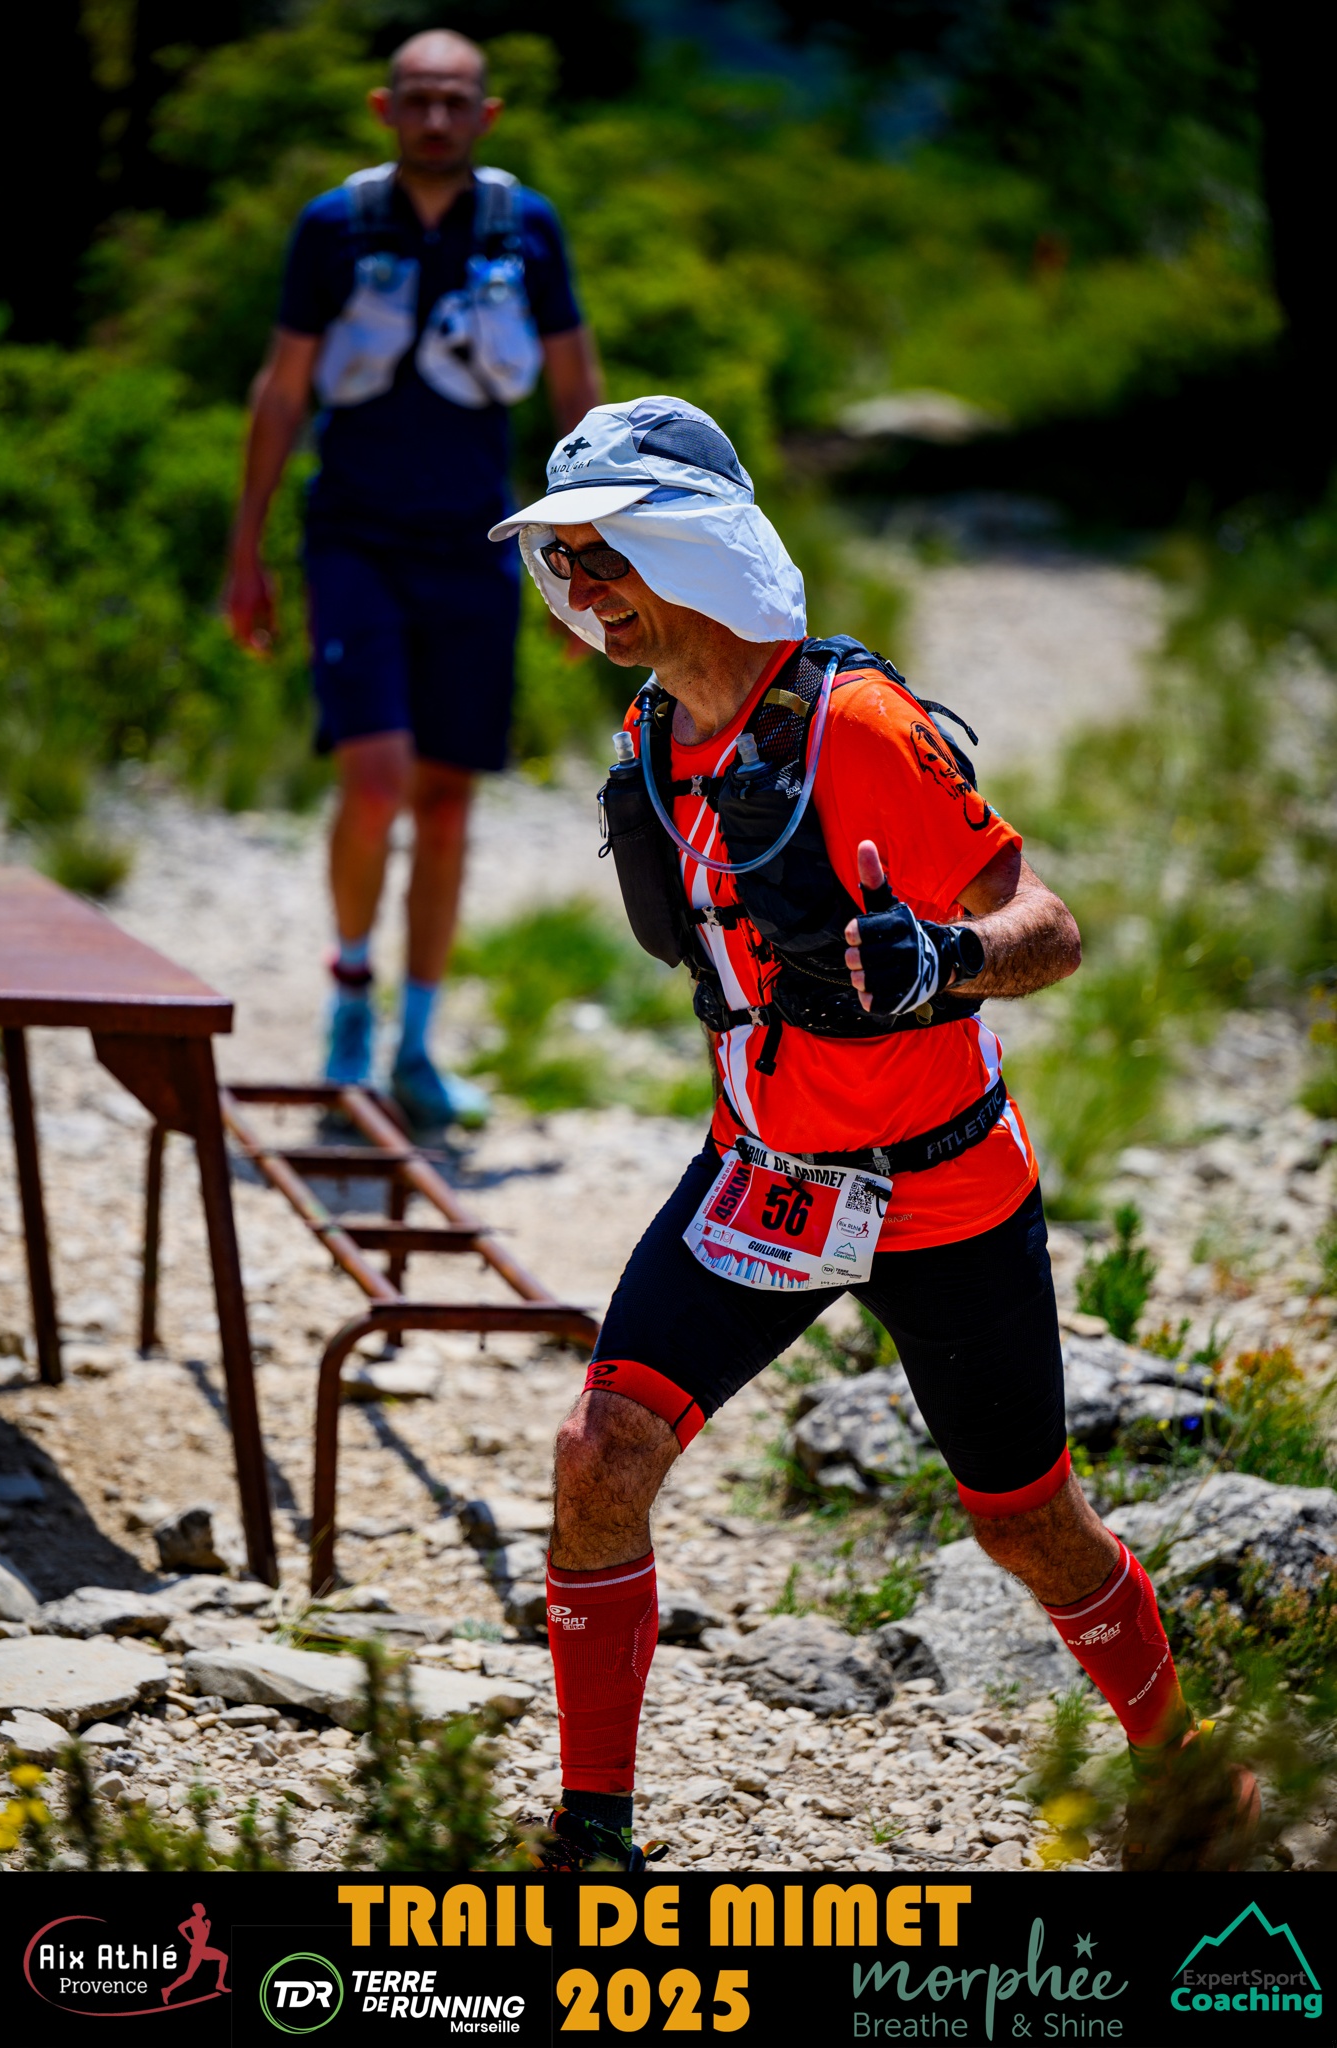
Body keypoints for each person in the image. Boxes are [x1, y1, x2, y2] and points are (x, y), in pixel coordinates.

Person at [490, 395, 1259, 1874]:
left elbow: (1047, 928)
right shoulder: (653, 736)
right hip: (764, 1181)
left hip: (941, 1194)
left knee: (1025, 1523)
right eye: (562, 561)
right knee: (599, 1456)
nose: (581, 589)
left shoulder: (857, 727)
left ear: (689, 547)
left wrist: (943, 961)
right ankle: (592, 1835)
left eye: (606, 554)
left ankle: (1188, 1776)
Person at [226, 29, 602, 1133]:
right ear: (383, 109)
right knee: (377, 782)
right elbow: (283, 388)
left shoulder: (525, 229)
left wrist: (586, 554)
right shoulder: (334, 227)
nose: (436, 117)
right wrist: (245, 551)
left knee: (446, 804)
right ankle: (351, 997)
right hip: (354, 539)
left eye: (456, 100)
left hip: (477, 545)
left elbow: (574, 389)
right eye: (418, 99)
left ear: (486, 115)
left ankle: (419, 1046)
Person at [160, 1902, 229, 2004]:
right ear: (197, 1911)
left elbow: (204, 1937)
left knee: (223, 1957)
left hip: (202, 1949)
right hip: (197, 1950)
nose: (204, 1909)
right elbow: (180, 1927)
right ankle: (167, 1990)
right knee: (188, 1975)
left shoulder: (203, 1922)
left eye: (203, 1907)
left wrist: (208, 1927)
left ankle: (219, 1984)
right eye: (202, 1908)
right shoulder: (194, 1920)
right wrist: (189, 1940)